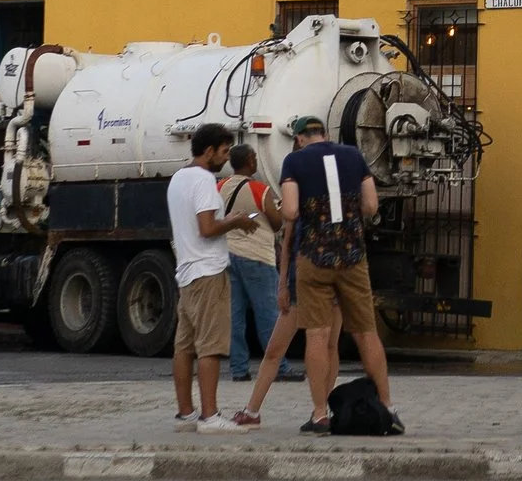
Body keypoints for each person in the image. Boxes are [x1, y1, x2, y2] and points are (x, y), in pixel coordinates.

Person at [278, 113, 400, 436]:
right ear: (325, 134)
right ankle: (388, 407)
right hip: (352, 256)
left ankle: (320, 414)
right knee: (366, 333)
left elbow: (290, 211)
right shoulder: (353, 155)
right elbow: (372, 205)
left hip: (314, 257)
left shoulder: (294, 161)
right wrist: (348, 216)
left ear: (300, 138)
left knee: (317, 336)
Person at [168, 123, 262, 431]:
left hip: (186, 271)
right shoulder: (205, 181)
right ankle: (210, 415)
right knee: (210, 346)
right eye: (223, 152)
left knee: (184, 346)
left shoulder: (178, 179)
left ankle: (186, 413)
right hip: (208, 270)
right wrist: (235, 221)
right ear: (209, 151)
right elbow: (207, 228)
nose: (225, 158)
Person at [223, 145, 293, 384]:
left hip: (229, 255)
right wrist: (281, 210)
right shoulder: (259, 189)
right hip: (257, 258)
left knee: (236, 315)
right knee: (269, 315)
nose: (255, 161)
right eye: (254, 158)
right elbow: (275, 224)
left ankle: (239, 369)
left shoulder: (220, 186)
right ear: (250, 161)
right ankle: (280, 367)